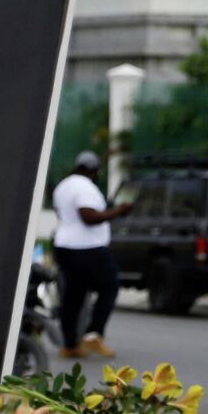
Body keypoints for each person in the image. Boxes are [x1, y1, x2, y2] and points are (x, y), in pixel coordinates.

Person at [51, 150, 134, 361]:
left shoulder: (63, 185)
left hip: (64, 245)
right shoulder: (85, 187)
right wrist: (119, 211)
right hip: (88, 248)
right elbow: (88, 216)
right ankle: (93, 333)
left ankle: (70, 344)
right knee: (110, 286)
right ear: (94, 170)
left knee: (73, 295)